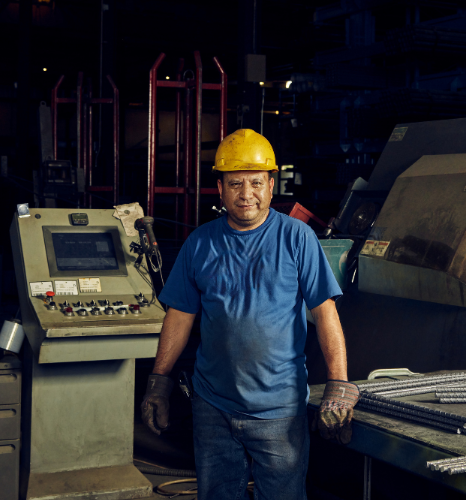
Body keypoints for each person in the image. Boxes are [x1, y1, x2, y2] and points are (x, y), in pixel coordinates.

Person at [141, 129, 359, 500]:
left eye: (256, 182)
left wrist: (338, 386)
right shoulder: (200, 243)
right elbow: (179, 317)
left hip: (279, 411)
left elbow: (325, 314)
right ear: (220, 189)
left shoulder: (297, 238)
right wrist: (158, 381)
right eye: (236, 183)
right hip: (212, 407)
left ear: (271, 185)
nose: (246, 194)